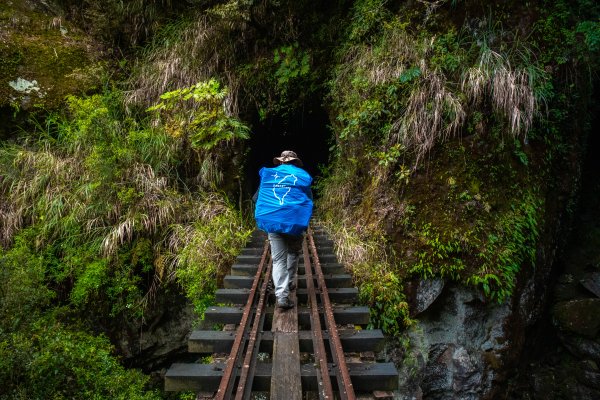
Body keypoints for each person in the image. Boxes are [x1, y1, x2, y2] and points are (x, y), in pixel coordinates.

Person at [254, 150, 313, 310]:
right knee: (293, 253)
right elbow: (308, 200)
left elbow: (255, 198)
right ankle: (291, 282)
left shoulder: (269, 176)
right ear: (295, 162)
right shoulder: (301, 176)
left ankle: (282, 296)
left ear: (281, 161)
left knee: (278, 259)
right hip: (294, 222)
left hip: (272, 221)